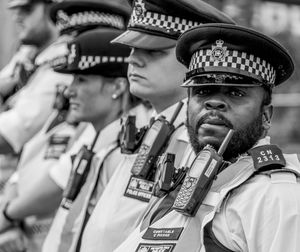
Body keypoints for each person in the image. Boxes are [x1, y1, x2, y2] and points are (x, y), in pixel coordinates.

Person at [113, 23, 300, 252]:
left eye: (235, 93)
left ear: (266, 115)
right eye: (203, 91)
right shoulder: (188, 173)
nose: (214, 102)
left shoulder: (275, 196)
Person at [75, 1, 235, 252]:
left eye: (152, 52)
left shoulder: (204, 143)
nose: (133, 60)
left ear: (196, 61)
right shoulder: (154, 123)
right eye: (132, 49)